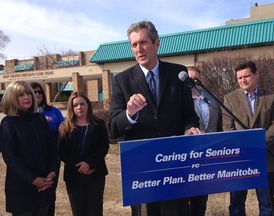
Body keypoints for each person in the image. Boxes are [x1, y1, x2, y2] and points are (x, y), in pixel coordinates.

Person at [108, 20, 202, 216]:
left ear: (156, 43)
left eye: (143, 42)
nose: (138, 49)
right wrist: (129, 114)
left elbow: (189, 115)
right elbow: (113, 127)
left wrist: (190, 128)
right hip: (142, 170)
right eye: (134, 45)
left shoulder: (178, 73)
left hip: (174, 165)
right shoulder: (121, 80)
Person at [222, 61, 274, 216]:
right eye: (240, 78)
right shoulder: (229, 99)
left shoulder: (272, 97)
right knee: (236, 204)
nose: (243, 80)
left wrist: (259, 143)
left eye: (247, 76)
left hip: (265, 157)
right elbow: (228, 129)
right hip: (240, 160)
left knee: (267, 203)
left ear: (256, 75)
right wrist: (245, 148)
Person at [0, 81, 58, 216]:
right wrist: (33, 179)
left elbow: (52, 147)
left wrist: (53, 171)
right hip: (22, 188)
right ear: (12, 98)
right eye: (21, 95)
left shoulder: (40, 118)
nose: (27, 97)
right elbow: (10, 157)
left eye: (28, 93)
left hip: (44, 186)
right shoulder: (8, 123)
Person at [58, 92, 109, 216]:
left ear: (88, 105)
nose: (79, 107)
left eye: (82, 104)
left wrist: (89, 163)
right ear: (71, 107)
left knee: (95, 210)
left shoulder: (98, 124)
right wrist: (80, 165)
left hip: (95, 173)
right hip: (74, 175)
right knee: (78, 211)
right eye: (75, 105)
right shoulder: (64, 127)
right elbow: (61, 152)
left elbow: (104, 147)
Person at [187, 66, 222, 215]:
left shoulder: (213, 99)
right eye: (189, 79)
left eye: (195, 78)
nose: (192, 82)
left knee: (201, 200)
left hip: (207, 157)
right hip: (186, 157)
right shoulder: (178, 101)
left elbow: (219, 125)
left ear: (201, 80)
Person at [30, 82, 64, 216]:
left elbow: (63, 130)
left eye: (39, 92)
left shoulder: (53, 111)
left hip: (52, 159)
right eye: (34, 92)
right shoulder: (25, 114)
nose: (37, 94)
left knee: (50, 192)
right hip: (33, 161)